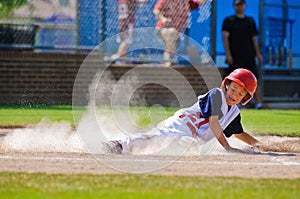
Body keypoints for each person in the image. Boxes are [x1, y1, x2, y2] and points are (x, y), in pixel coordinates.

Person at [104, 68, 263, 154]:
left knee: (186, 148)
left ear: (245, 98)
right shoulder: (216, 95)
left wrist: (260, 145)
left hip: (191, 136)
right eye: (234, 89)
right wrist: (227, 148)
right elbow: (214, 124)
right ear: (227, 85)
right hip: (182, 124)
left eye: (241, 93)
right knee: (158, 138)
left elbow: (238, 133)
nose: (235, 95)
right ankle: (118, 145)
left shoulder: (233, 113)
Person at [222, 0, 264, 109]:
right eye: (237, 4)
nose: (240, 6)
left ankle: (258, 103)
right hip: (235, 57)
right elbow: (225, 38)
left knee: (255, 79)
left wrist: (258, 53)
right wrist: (228, 54)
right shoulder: (229, 21)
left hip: (249, 56)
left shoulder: (250, 21)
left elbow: (254, 39)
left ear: (245, 5)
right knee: (233, 81)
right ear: (234, 6)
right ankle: (229, 103)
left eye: (241, 4)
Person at [153, 0, 208, 67]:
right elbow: (156, 10)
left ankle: (169, 61)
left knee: (174, 43)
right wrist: (162, 18)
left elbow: (199, 3)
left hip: (177, 31)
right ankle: (167, 61)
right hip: (163, 28)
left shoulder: (187, 1)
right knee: (172, 34)